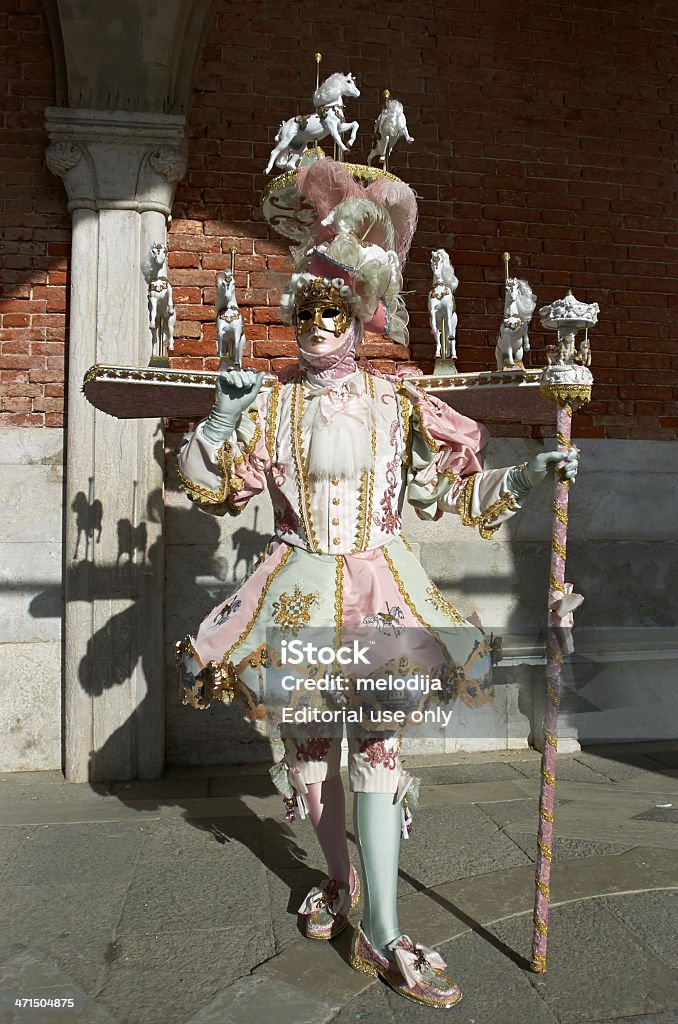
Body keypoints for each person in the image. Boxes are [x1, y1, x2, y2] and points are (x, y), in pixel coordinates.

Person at [176, 160, 578, 1009]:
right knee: (313, 749)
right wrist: (215, 422)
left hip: (382, 586)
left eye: (335, 310)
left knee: (379, 749)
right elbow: (215, 488)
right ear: (295, 318)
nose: (318, 325)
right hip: (296, 591)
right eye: (306, 311)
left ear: (359, 316)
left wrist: (528, 476)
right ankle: (337, 880)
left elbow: (448, 496)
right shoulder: (272, 406)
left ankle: (386, 931)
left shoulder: (401, 404)